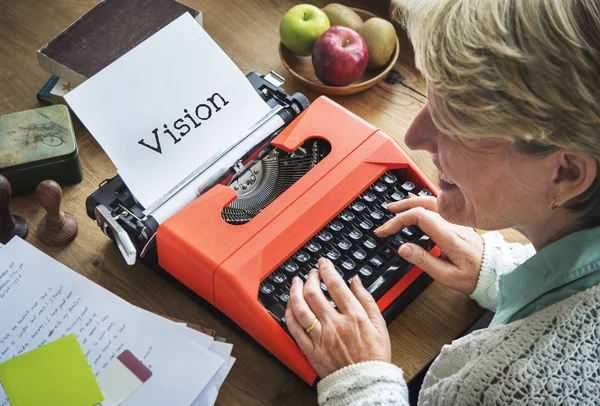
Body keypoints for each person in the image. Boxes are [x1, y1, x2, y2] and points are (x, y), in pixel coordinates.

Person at [284, 0, 600, 404]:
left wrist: (360, 383)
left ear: (567, 173)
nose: (414, 137)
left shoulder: (510, 387)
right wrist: (501, 273)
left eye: (456, 123)